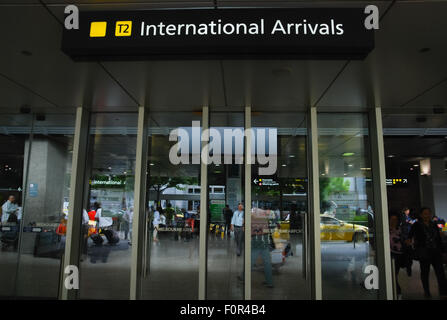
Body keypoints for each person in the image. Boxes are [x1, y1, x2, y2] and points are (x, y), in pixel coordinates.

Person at [407, 207, 447, 298]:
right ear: (421, 215)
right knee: (425, 273)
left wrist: (443, 251)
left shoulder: (434, 224)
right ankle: (427, 292)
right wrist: (410, 243)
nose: (427, 215)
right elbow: (410, 236)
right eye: (425, 213)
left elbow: (438, 239)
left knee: (440, 272)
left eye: (428, 213)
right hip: (424, 252)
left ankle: (443, 292)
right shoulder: (416, 225)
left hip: (435, 251)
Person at [389, 212, 409, 299]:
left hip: (398, 255)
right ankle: (396, 291)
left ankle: (397, 292)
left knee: (394, 274)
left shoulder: (400, 229)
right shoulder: (386, 229)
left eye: (395, 220)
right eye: (392, 219)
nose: (394, 221)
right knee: (392, 275)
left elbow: (405, 240)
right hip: (390, 254)